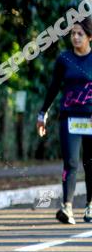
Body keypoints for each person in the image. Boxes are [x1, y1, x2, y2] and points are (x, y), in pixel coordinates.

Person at [37, 17, 92, 225]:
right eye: (73, 33)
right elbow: (53, 87)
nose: (75, 37)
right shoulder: (64, 59)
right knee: (70, 162)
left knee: (90, 163)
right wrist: (42, 113)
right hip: (69, 117)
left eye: (80, 34)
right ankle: (67, 207)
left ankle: (90, 205)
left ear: (90, 37)